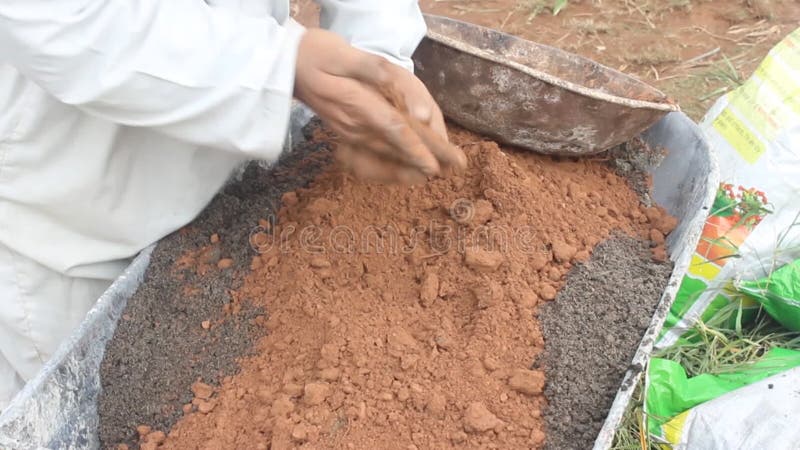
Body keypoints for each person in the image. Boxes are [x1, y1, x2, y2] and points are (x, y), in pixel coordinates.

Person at [0, 0, 465, 410]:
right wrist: (276, 63)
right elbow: (56, 17)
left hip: (232, 185)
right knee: (89, 395)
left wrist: (376, 55)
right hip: (83, 209)